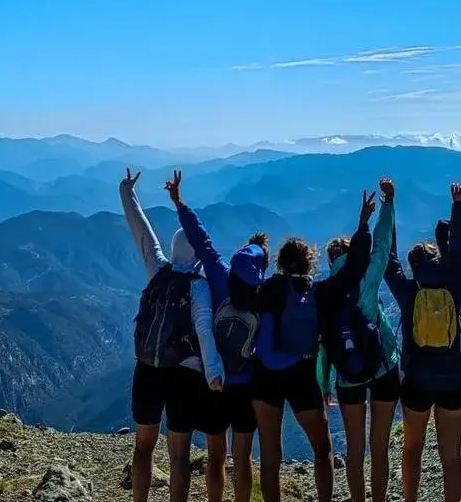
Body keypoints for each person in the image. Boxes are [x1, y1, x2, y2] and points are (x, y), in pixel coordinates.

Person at [230, 190, 378, 502]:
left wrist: (255, 249)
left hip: (265, 375)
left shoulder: (269, 288)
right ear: (310, 262)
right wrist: (363, 225)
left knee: (271, 456)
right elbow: (355, 269)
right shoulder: (319, 293)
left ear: (280, 263)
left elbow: (240, 294)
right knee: (322, 449)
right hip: (302, 375)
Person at [120, 168, 226, 502]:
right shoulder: (199, 287)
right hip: (184, 374)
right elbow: (204, 329)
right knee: (179, 455)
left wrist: (127, 192)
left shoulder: (158, 269)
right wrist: (214, 374)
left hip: (147, 367)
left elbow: (142, 231)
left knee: (143, 447)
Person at [167, 170, 269, 502]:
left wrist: (180, 203)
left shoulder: (220, 275)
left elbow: (200, 239)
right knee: (243, 457)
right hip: (246, 384)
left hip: (214, 381)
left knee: (215, 457)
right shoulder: (264, 296)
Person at [384, 183, 461, 502]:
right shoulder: (454, 286)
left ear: (413, 265)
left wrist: (389, 205)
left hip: (417, 382)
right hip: (452, 380)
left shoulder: (409, 292)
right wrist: (458, 206)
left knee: (412, 449)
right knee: (452, 456)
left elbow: (388, 259)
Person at [317, 178, 400, 502]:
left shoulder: (324, 293)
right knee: (379, 448)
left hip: (347, 375)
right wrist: (388, 204)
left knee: (354, 450)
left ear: (329, 262)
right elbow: (382, 244)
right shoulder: (367, 274)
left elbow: (325, 344)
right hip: (383, 365)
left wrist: (324, 383)